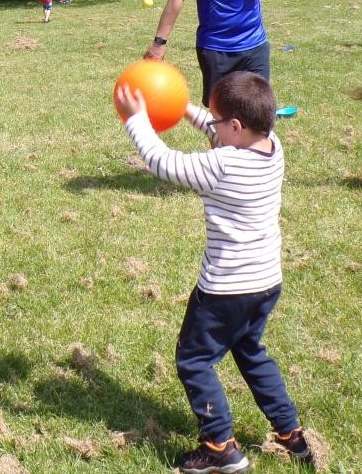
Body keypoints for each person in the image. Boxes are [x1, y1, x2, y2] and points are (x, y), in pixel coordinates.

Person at [115, 71, 310, 473]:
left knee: (194, 360)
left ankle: (219, 445)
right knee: (250, 351)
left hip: (225, 289)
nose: (212, 125)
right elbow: (220, 130)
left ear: (235, 126)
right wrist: (183, 107)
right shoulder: (272, 146)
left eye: (217, 119)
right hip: (265, 282)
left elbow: (163, 162)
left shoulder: (223, 164)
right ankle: (290, 432)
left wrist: (136, 118)